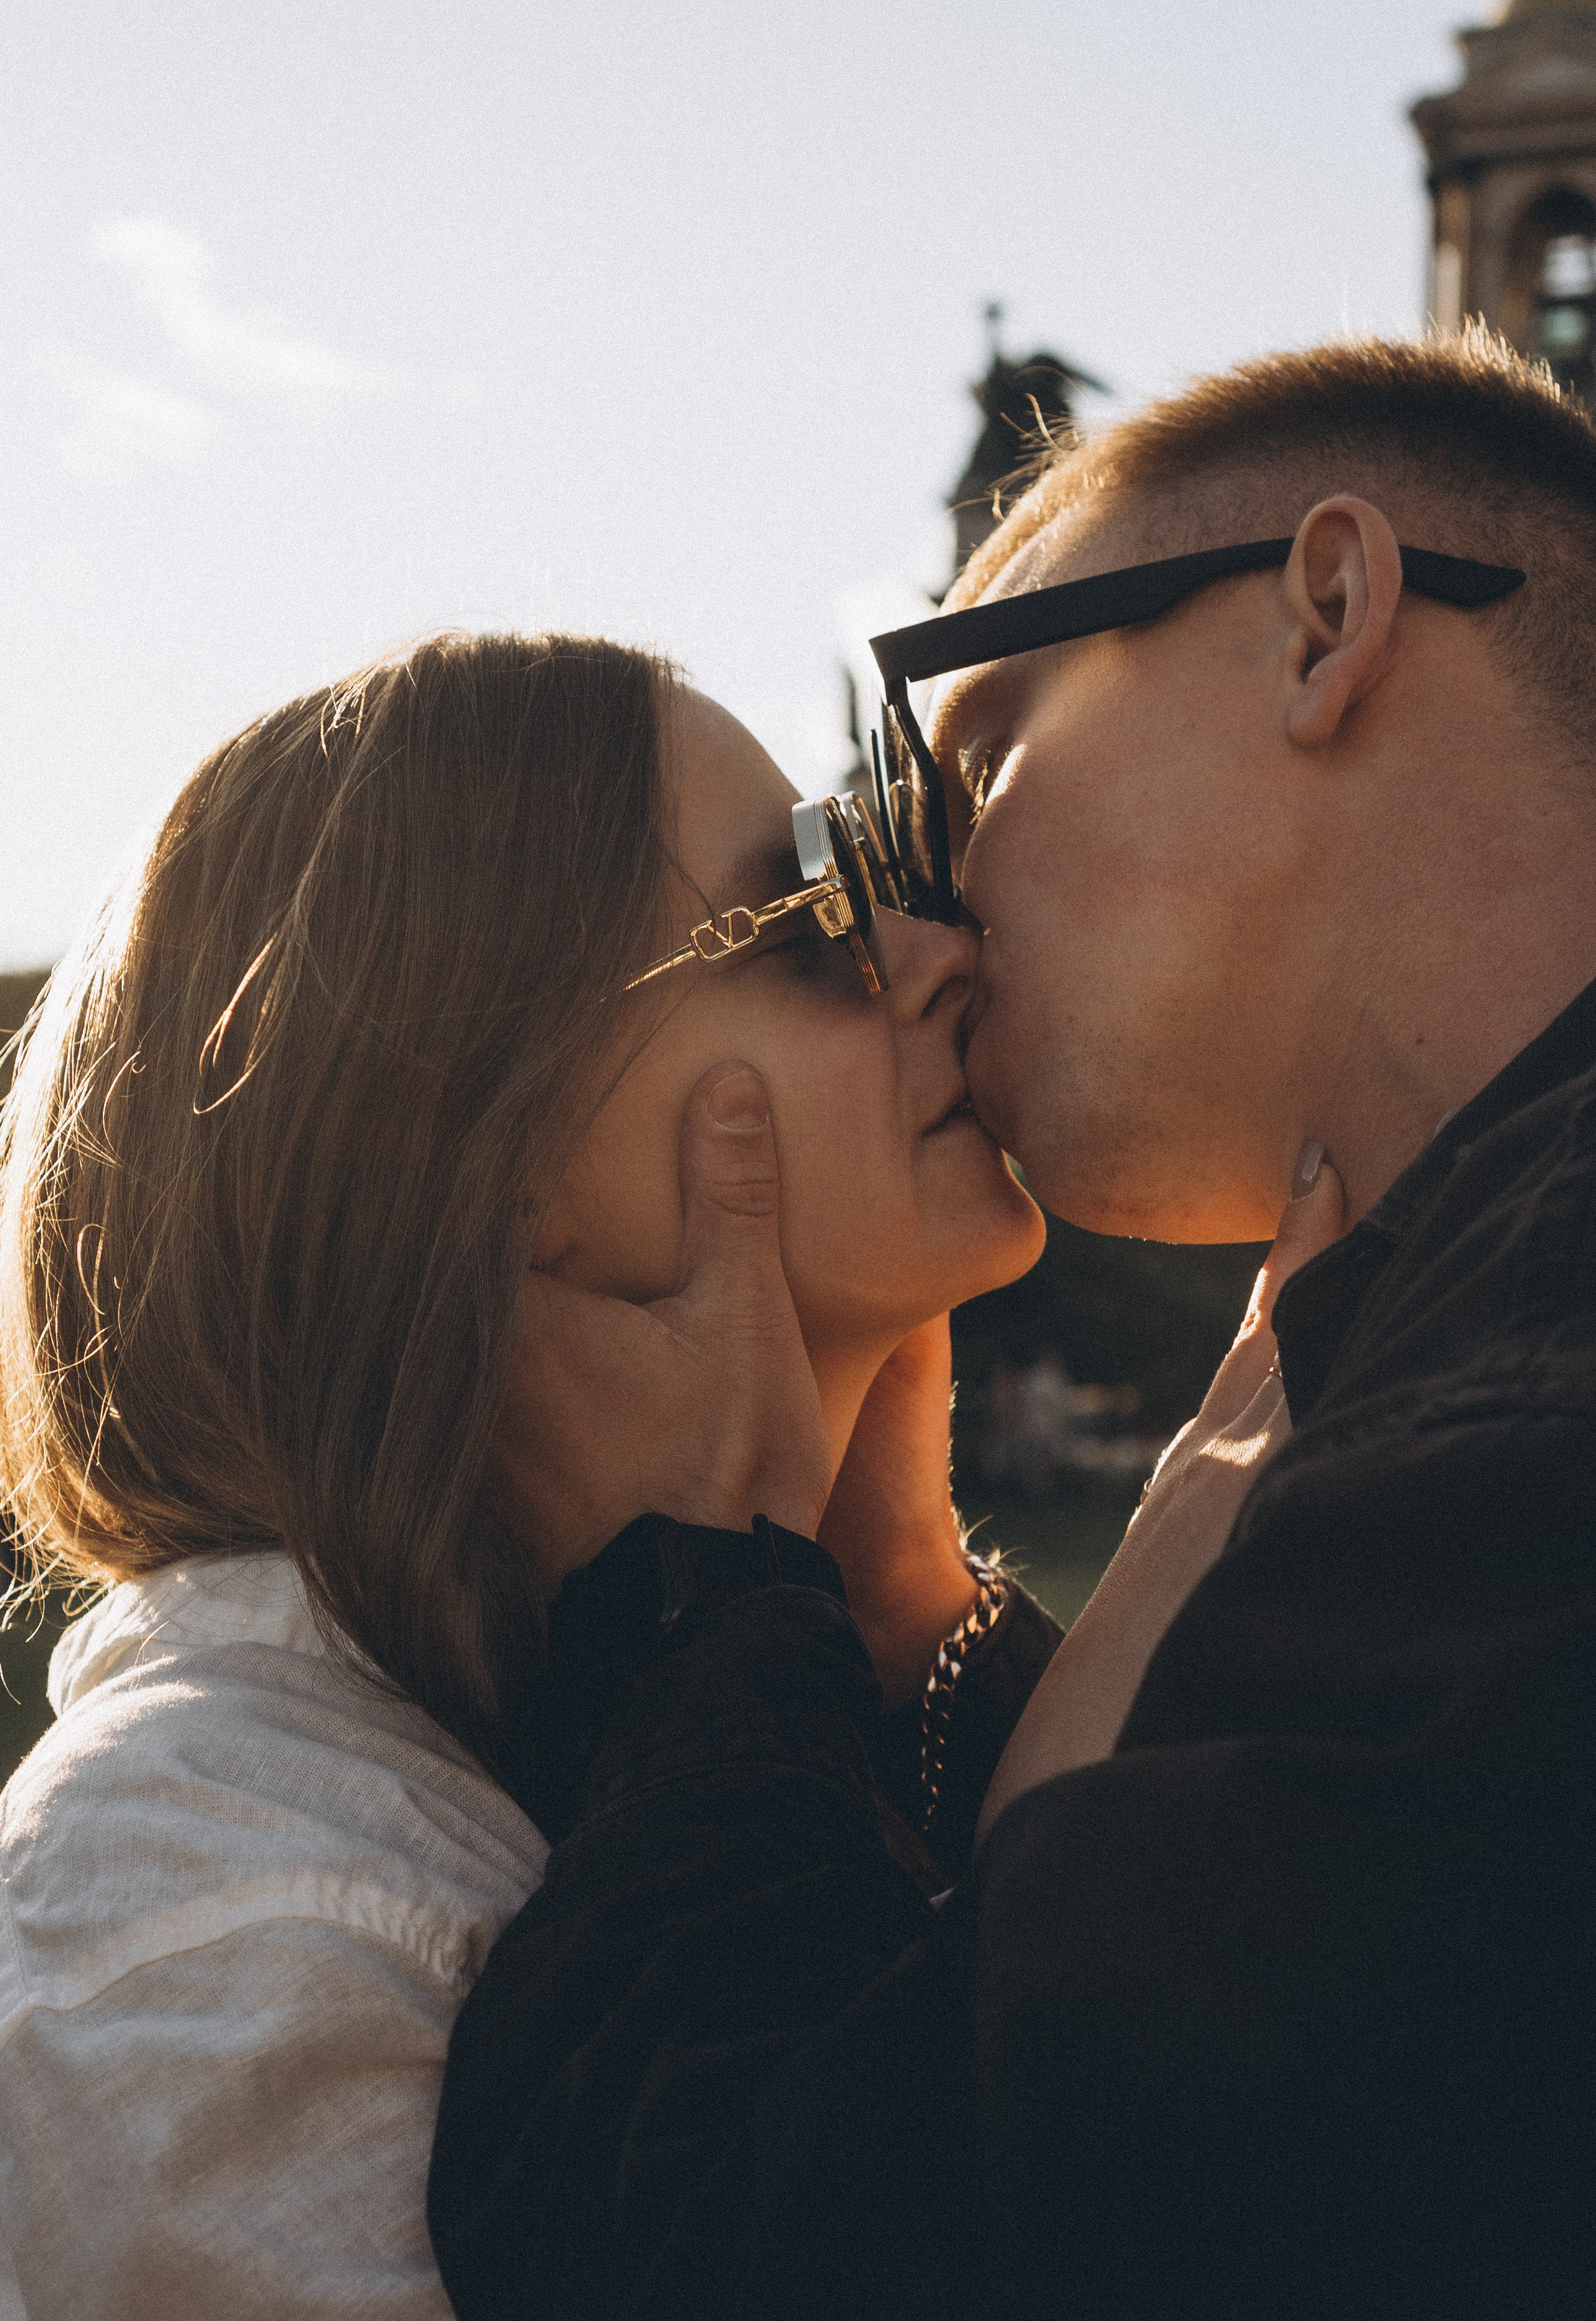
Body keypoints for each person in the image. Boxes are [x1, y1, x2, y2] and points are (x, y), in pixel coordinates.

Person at [428, 327, 1596, 2320]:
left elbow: (769, 2241)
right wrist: (919, 1619)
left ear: (1325, 623)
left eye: (957, 766)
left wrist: (702, 1607)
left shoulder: (1513, 1447)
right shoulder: (1456, 1376)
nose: (926, 930)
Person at [0, 630, 1060, 2317]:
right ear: (475, 1156)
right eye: (808, 917)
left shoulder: (715, 1687)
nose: (940, 950)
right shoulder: (224, 1901)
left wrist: (895, 1602)